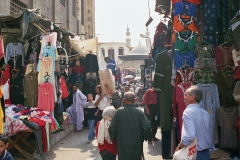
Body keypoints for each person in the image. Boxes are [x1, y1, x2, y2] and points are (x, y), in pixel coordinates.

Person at [108, 92, 151, 160]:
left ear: (123, 100)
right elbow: (147, 127)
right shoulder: (139, 112)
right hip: (136, 142)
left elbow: (112, 128)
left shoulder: (119, 112)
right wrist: (143, 137)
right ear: (135, 100)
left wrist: (114, 140)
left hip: (122, 143)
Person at [175, 86, 212, 160]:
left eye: (186, 95)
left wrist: (179, 146)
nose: (184, 97)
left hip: (194, 154)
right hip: (206, 153)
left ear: (192, 97)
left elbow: (189, 136)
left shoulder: (188, 112)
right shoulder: (206, 113)